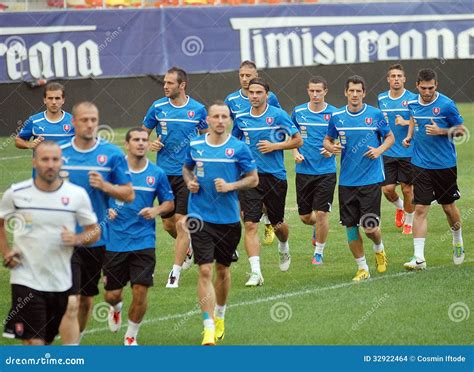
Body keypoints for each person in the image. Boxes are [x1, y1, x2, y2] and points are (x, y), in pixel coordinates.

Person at [0, 141, 99, 345]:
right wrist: (6, 252)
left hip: (60, 281)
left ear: (61, 162)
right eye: (45, 159)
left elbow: (94, 231)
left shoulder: (76, 195)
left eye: (55, 159)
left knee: (45, 342)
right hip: (26, 279)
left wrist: (77, 239)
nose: (50, 164)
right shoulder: (16, 193)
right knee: (35, 344)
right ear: (34, 162)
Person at [183, 102, 258, 345]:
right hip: (200, 217)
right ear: (207, 120)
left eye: (224, 116)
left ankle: (221, 316)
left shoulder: (239, 148)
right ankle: (208, 326)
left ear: (229, 120)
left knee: (222, 270)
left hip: (228, 219)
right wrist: (190, 181)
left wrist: (231, 186)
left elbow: (253, 179)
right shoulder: (195, 145)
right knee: (204, 269)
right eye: (215, 116)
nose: (220, 120)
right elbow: (186, 168)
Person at [59, 102, 134, 344]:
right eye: (84, 120)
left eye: (94, 119)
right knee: (72, 300)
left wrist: (105, 186)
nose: (90, 124)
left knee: (94, 297)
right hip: (65, 238)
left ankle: (113, 308)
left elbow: (129, 194)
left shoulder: (111, 154)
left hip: (98, 237)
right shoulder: (58, 154)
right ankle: (73, 349)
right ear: (74, 122)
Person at [104, 128, 174, 346]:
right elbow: (95, 195)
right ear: (127, 144)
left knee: (140, 291)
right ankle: (115, 308)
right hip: (115, 241)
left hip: (143, 241)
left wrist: (156, 211)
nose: (141, 143)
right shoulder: (112, 171)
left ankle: (131, 336)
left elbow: (169, 203)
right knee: (112, 295)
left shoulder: (157, 173)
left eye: (145, 140)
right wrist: (106, 210)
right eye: (136, 140)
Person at [323, 75, 394, 282]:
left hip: (370, 180)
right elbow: (327, 140)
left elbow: (390, 137)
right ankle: (362, 268)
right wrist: (331, 147)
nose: (354, 95)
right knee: (351, 227)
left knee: (370, 227)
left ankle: (379, 249)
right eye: (351, 91)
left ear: (364, 93)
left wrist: (379, 150)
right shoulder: (337, 117)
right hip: (346, 182)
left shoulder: (375, 114)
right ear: (346, 92)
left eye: (358, 91)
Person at [233, 78, 302, 286]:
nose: (254, 96)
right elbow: (234, 144)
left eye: (259, 92)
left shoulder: (278, 115)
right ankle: (256, 272)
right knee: (251, 224)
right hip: (250, 178)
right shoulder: (241, 118)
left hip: (275, 177)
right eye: (251, 92)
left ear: (267, 95)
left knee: (278, 224)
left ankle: (284, 246)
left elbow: (298, 140)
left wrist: (274, 146)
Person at [142, 67, 208, 288]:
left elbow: (206, 138)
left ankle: (174, 273)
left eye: (170, 83)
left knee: (181, 224)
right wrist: (150, 143)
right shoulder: (158, 107)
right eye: (164, 82)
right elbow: (143, 134)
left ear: (182, 85)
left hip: (187, 175)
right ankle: (189, 249)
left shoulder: (198, 109)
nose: (165, 86)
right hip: (163, 174)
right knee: (168, 225)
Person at [402, 68, 466, 270]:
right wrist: (410, 136)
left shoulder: (446, 105)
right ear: (417, 86)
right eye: (423, 88)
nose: (427, 92)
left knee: (448, 207)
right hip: (420, 163)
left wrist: (442, 131)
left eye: (431, 88)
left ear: (436, 86)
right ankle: (419, 258)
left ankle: (457, 240)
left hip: (444, 165)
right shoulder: (412, 103)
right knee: (420, 208)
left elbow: (462, 131)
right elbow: (413, 117)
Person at [225, 60, 281, 246]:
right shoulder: (231, 99)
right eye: (241, 75)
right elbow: (227, 125)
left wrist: (273, 142)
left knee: (264, 200)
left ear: (256, 76)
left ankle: (268, 222)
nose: (244, 79)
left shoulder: (269, 97)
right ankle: (258, 224)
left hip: (266, 159)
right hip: (243, 160)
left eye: (248, 75)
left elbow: (279, 122)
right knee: (243, 209)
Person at [291, 76, 337, 265]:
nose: (315, 94)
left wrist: (332, 149)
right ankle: (316, 228)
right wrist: (294, 152)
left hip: (326, 171)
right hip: (304, 171)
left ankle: (318, 252)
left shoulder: (334, 114)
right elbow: (291, 135)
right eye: (312, 91)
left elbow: (344, 138)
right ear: (308, 91)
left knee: (322, 214)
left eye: (319, 91)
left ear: (325, 91)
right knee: (304, 217)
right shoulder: (299, 112)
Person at [378, 64, 417, 234]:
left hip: (407, 151)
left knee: (407, 189)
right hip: (387, 151)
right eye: (392, 76)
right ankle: (400, 207)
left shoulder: (413, 98)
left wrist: (405, 122)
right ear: (388, 79)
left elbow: (421, 122)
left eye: (399, 76)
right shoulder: (381, 99)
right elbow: (380, 121)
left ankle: (409, 221)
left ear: (404, 79)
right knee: (387, 189)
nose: (396, 79)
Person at [15, 83, 74, 150]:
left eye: (57, 98)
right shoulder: (34, 120)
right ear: (45, 100)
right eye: (50, 98)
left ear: (63, 100)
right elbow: (18, 140)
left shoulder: (74, 121)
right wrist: (29, 144)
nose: (54, 102)